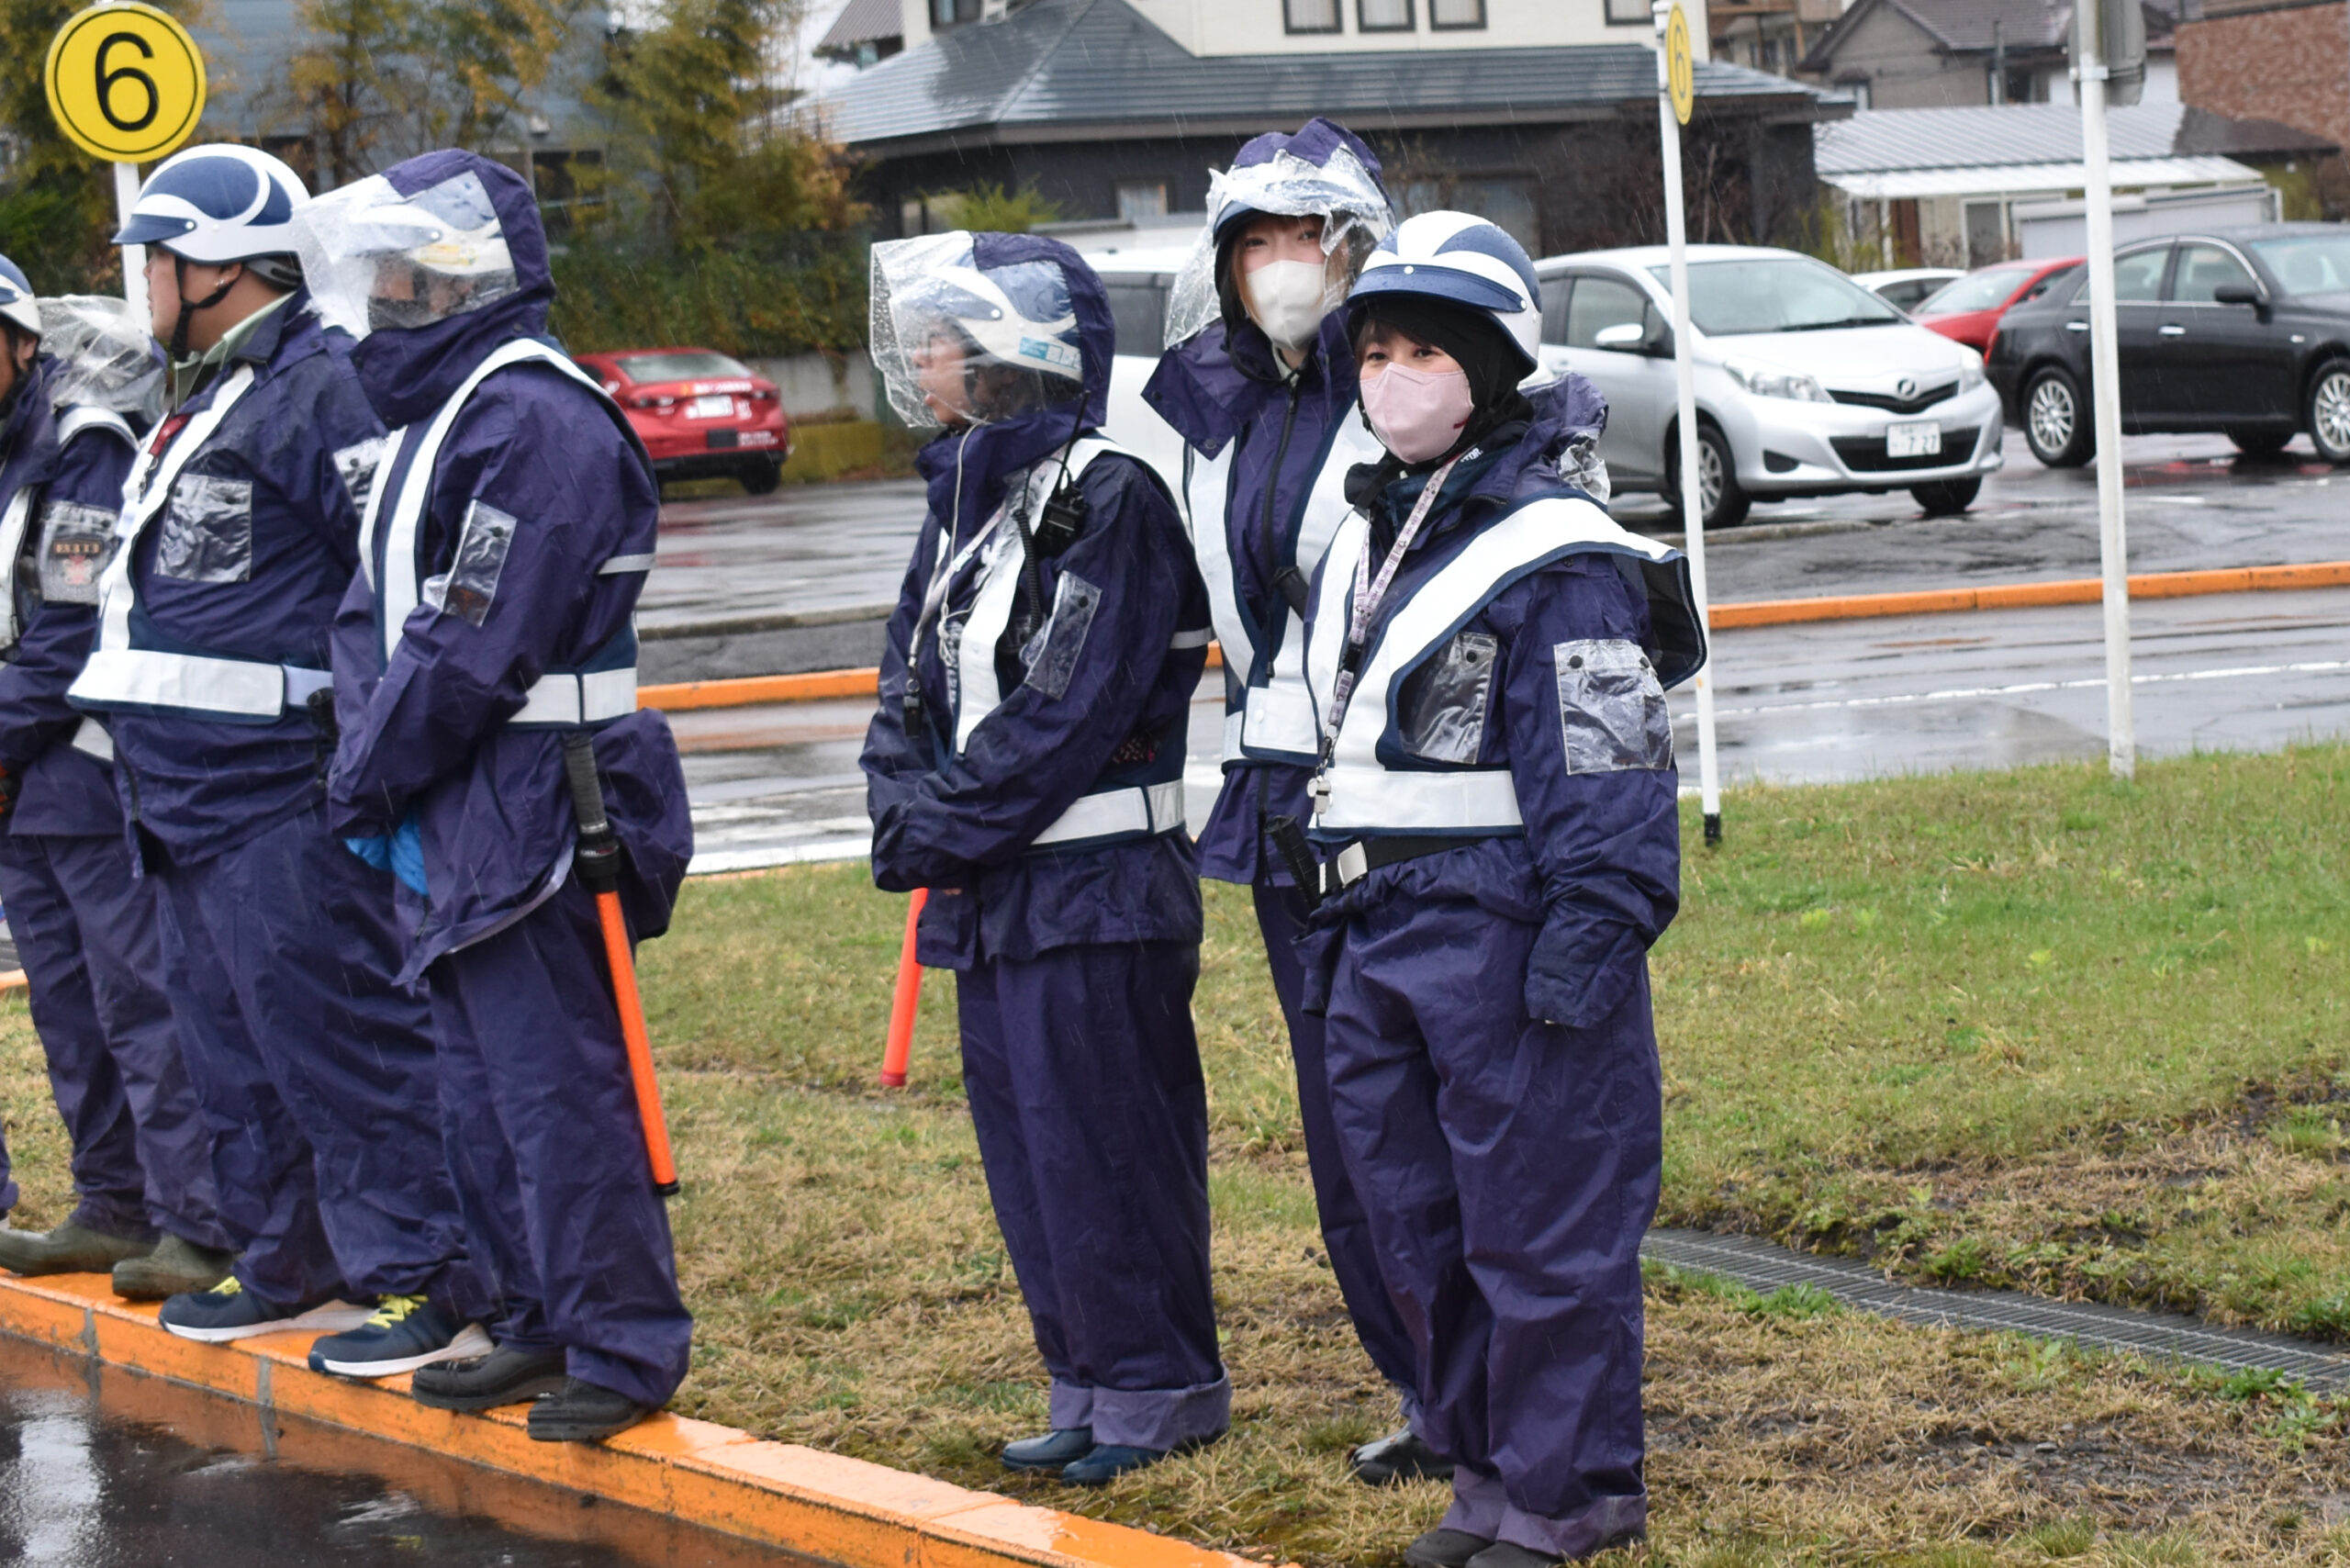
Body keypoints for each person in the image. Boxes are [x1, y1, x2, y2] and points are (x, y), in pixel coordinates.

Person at [1292, 213, 1706, 1568]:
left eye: (1424, 350)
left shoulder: (1560, 552)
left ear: (1489, 367)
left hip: (1506, 934)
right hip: (1376, 935)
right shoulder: (1377, 527)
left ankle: (1570, 1494)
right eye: (1376, 348)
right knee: (1421, 1230)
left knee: (1541, 1234)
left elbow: (1612, 765)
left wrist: (1588, 938)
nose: (1391, 374)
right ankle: (1484, 1478)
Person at [66, 143, 491, 1375]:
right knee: (232, 1051)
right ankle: (288, 1253)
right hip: (182, 798)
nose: (140, 279)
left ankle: (421, 1274)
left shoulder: (320, 387)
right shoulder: (215, 391)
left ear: (216, 266)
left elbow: (393, 575)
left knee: (343, 1043)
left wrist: (363, 756)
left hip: (277, 796)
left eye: (154, 255)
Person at [304, 150, 694, 1442]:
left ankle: (622, 1345)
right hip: (464, 801)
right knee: (479, 1089)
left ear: (463, 275)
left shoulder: (528, 418)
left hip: (532, 799)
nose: (382, 295)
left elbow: (473, 642)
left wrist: (364, 774)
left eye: (406, 270)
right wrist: (377, 773)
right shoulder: (453, 413)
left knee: (552, 1089)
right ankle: (535, 1315)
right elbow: (385, 622)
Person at [859, 231, 1222, 1484]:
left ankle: (1159, 1385)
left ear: (1020, 349)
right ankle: (1085, 1378)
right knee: (1034, 1157)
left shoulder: (1110, 496)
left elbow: (1064, 710)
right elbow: (911, 678)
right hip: (999, 890)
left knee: (1112, 1143)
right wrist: (900, 808)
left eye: (948, 333)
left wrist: (939, 824)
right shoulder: (967, 496)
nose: (922, 355)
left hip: (1095, 892)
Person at [1140, 118, 1446, 1486]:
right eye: (1252, 244)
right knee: (1342, 1122)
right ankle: (1426, 1381)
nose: (1279, 269)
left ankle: (1480, 1385)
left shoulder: (1402, 388)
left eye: (1303, 242)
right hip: (1270, 802)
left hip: (1396, 803)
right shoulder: (1210, 407)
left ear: (1355, 251)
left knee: (1420, 1104)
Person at [0, 268, 235, 1297]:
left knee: (140, 1002)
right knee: (67, 1006)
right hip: (22, 780)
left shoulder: (80, 449)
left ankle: (198, 1222)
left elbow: (63, 643)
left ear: (17, 342)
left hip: (84, 773)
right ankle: (111, 1204)